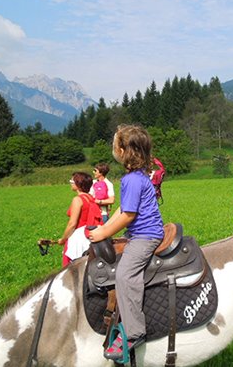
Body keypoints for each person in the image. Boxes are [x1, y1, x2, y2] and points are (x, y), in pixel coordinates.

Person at [88, 124, 164, 362]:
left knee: (124, 275)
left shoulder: (132, 180)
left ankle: (133, 332)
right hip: (141, 233)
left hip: (145, 236)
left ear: (123, 151)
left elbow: (128, 216)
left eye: (115, 145)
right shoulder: (136, 177)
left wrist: (103, 232)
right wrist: (103, 229)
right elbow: (122, 209)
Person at [58, 172, 98, 267]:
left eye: (72, 181)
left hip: (77, 238)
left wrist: (63, 239)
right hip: (88, 236)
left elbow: (72, 224)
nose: (70, 183)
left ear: (78, 184)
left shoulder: (78, 200)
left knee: (71, 269)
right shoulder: (90, 198)